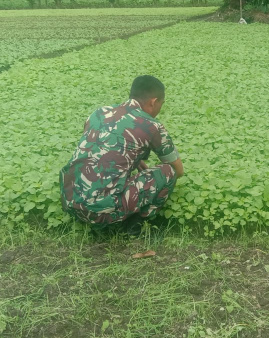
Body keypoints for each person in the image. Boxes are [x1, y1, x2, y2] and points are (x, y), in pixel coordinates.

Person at [60, 75, 184, 232]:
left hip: (70, 203)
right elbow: (178, 170)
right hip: (101, 213)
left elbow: (100, 147)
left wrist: (133, 158)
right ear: (153, 101)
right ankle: (132, 225)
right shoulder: (151, 125)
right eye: (161, 104)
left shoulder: (98, 113)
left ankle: (91, 215)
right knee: (168, 172)